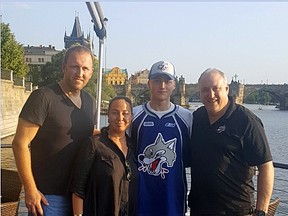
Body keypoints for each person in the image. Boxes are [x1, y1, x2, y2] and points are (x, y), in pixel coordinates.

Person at [12, 45, 97, 216]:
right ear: (64, 67)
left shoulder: (90, 102)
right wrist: (30, 190)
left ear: (91, 72)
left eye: (85, 68)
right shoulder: (43, 97)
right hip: (48, 198)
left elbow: (87, 135)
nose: (80, 73)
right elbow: (20, 143)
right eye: (75, 66)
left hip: (79, 196)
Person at [188, 68, 274, 216]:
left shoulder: (247, 121)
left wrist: (261, 211)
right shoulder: (197, 118)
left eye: (216, 89)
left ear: (227, 89)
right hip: (199, 208)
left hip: (235, 210)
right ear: (200, 92)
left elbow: (266, 167)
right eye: (205, 90)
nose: (211, 95)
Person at [129, 60, 193, 216]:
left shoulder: (187, 118)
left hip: (173, 198)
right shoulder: (134, 115)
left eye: (167, 81)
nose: (162, 85)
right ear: (149, 84)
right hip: (140, 198)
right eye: (157, 81)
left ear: (174, 85)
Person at [70, 96, 137, 216]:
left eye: (125, 113)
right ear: (108, 115)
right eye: (115, 113)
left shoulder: (134, 147)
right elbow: (78, 188)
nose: (120, 118)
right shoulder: (94, 144)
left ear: (131, 117)